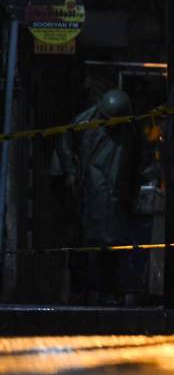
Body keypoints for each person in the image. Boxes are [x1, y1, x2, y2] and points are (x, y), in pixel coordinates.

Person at [53, 89, 144, 304]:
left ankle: (107, 290)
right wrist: (72, 174)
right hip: (88, 193)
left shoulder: (129, 129)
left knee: (110, 246)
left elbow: (138, 160)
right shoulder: (85, 122)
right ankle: (79, 289)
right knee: (81, 243)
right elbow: (64, 143)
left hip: (115, 194)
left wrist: (133, 189)